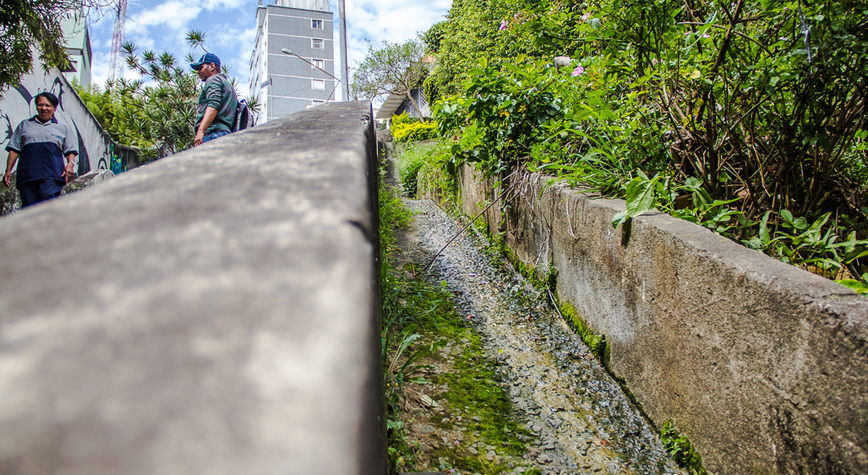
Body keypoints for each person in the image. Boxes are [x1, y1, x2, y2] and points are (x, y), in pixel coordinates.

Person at [3, 92, 78, 208]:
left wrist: (70, 165)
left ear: (54, 108)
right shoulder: (24, 125)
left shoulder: (63, 128)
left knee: (47, 202)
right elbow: (14, 149)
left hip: (52, 175)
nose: (44, 108)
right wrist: (8, 170)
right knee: (28, 209)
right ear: (36, 106)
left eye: (48, 106)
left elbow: (70, 151)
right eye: (40, 105)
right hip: (27, 176)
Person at [190, 53, 238, 146]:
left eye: (201, 68)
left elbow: (213, 105)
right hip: (226, 135)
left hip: (212, 135)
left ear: (212, 66)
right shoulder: (228, 86)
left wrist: (201, 131)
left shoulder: (212, 80)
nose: (198, 72)